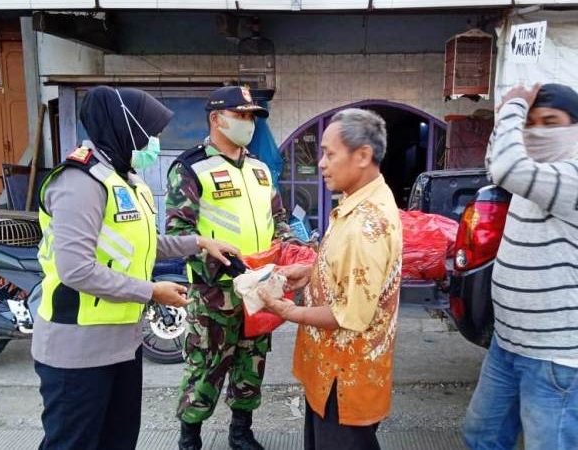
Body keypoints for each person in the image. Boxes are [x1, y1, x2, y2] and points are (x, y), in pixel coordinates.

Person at [33, 86, 238, 450]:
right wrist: (152, 292)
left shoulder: (125, 180)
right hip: (77, 349)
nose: (156, 141)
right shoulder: (80, 183)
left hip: (122, 343)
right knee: (74, 443)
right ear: (127, 129)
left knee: (119, 440)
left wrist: (200, 242)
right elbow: (75, 269)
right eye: (151, 132)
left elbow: (143, 245)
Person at [460, 83, 578, 450]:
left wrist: (513, 107)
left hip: (557, 359)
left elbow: (508, 168)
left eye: (551, 121)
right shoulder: (532, 173)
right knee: (482, 438)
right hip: (509, 346)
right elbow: (499, 164)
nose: (539, 130)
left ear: (576, 128)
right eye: (532, 122)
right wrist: (507, 117)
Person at [258, 108, 403, 450]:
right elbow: (355, 276)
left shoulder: (365, 226)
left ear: (363, 155)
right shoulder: (358, 203)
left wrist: (287, 311)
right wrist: (309, 274)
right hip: (333, 374)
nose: (321, 162)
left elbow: (348, 315)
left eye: (329, 153)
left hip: (345, 379)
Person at [165, 86, 291, 450]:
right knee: (206, 368)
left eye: (252, 117)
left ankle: (241, 433)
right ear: (216, 119)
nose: (248, 123)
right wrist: (221, 265)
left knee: (251, 364)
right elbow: (178, 234)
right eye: (241, 115)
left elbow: (278, 219)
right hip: (214, 294)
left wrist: (292, 247)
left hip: (260, 288)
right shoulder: (191, 167)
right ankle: (190, 439)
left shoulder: (260, 169)